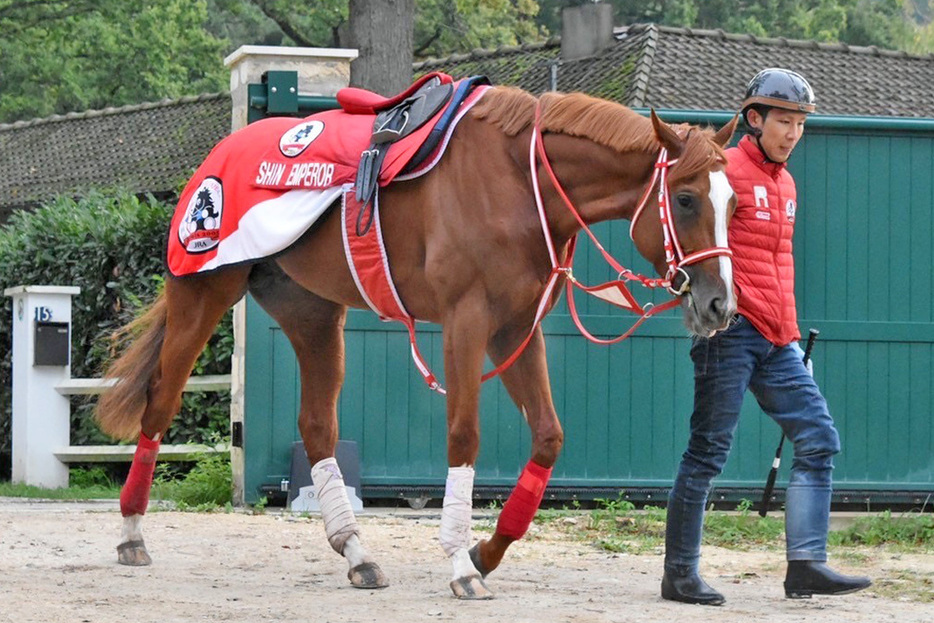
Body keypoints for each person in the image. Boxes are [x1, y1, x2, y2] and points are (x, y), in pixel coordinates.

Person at [660, 68, 872, 605]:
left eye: (800, 123)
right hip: (729, 333)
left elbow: (778, 265)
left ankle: (806, 565)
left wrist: (792, 334)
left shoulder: (787, 182)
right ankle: (679, 575)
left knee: (819, 439)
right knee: (707, 452)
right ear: (753, 120)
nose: (794, 132)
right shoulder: (724, 168)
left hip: (780, 340)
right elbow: (686, 231)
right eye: (784, 121)